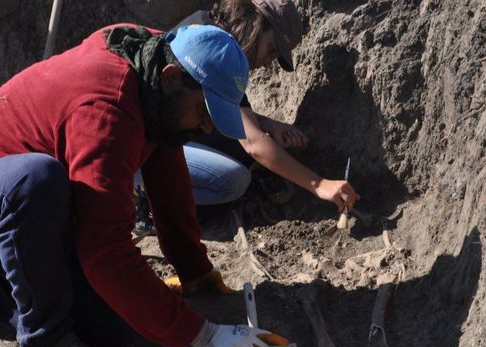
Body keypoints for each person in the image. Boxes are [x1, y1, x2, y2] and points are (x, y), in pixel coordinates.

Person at [0, 23, 290, 347]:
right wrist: (201, 334)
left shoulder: (159, 65)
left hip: (24, 212)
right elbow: (105, 250)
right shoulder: (107, 108)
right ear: (173, 79)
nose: (208, 128)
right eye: (205, 111)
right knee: (36, 181)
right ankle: (27, 327)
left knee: (116, 327)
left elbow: (166, 163)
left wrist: (193, 270)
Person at [135, 0, 359, 231]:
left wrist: (267, 123)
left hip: (149, 139)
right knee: (233, 180)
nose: (267, 63)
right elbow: (253, 143)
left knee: (235, 143)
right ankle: (145, 205)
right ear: (255, 24)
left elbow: (220, 110)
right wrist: (319, 184)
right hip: (138, 153)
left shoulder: (210, 29)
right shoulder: (215, 50)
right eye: (272, 49)